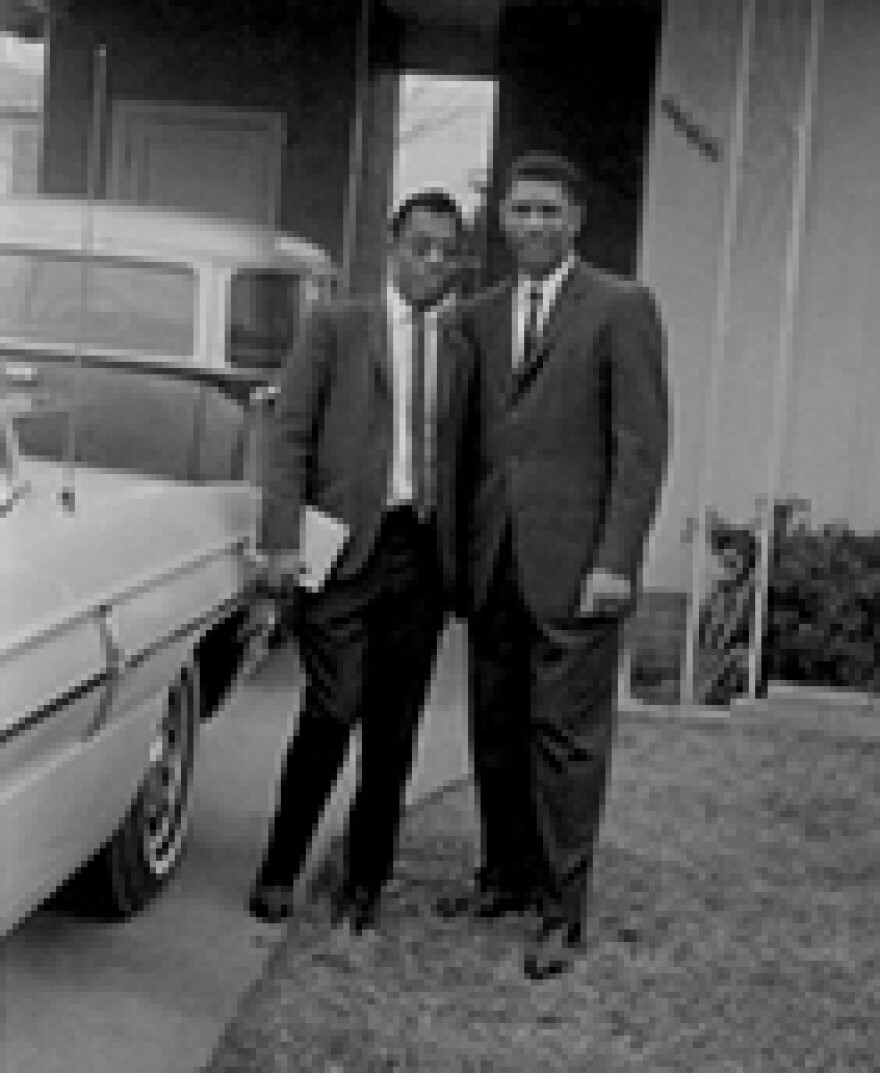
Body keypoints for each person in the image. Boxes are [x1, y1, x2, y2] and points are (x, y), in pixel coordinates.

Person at [438, 153, 669, 979]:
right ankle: (503, 875)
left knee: (567, 741)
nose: (533, 225)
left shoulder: (620, 307)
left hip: (577, 569)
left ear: (575, 220)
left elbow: (639, 451)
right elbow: (460, 448)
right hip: (493, 559)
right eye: (519, 210)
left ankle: (562, 911)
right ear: (500, 219)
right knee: (494, 732)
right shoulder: (475, 316)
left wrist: (616, 561)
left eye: (549, 211)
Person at [248, 189, 475, 934]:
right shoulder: (336, 326)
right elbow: (288, 437)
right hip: (342, 548)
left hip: (420, 553)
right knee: (331, 708)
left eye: (447, 251)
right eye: (420, 246)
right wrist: (280, 539)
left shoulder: (462, 343)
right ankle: (281, 866)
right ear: (392, 243)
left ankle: (366, 880)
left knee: (394, 727)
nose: (433, 262)